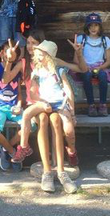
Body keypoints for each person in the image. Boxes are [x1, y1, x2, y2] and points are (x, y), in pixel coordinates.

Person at [15, 40, 78, 194]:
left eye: (41, 53)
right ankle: (47, 172)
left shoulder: (58, 70)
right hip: (43, 104)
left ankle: (61, 172)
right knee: (42, 120)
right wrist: (42, 102)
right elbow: (33, 92)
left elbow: (68, 91)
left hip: (58, 105)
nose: (37, 55)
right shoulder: (36, 71)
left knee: (56, 121)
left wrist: (72, 112)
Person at [19, 29, 87, 167]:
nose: (30, 46)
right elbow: (29, 90)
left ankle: (61, 162)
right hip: (39, 102)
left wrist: (79, 53)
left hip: (57, 104)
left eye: (34, 43)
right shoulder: (27, 64)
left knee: (58, 123)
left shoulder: (56, 64)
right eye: (28, 43)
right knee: (42, 119)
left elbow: (82, 70)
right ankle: (39, 159)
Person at [0, 40, 26, 171]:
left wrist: (19, 105)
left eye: (12, 51)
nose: (8, 53)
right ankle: (12, 152)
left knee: (31, 125)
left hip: (13, 108)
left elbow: (19, 93)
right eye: (5, 50)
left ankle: (4, 148)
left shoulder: (17, 70)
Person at [75, 13, 110, 117]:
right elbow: (75, 59)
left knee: (102, 76)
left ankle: (103, 105)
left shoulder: (105, 40)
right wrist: (84, 66)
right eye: (90, 25)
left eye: (96, 25)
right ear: (87, 27)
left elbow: (108, 61)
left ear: (100, 27)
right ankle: (91, 105)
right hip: (85, 67)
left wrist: (100, 67)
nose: (93, 28)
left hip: (99, 67)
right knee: (87, 76)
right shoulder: (81, 39)